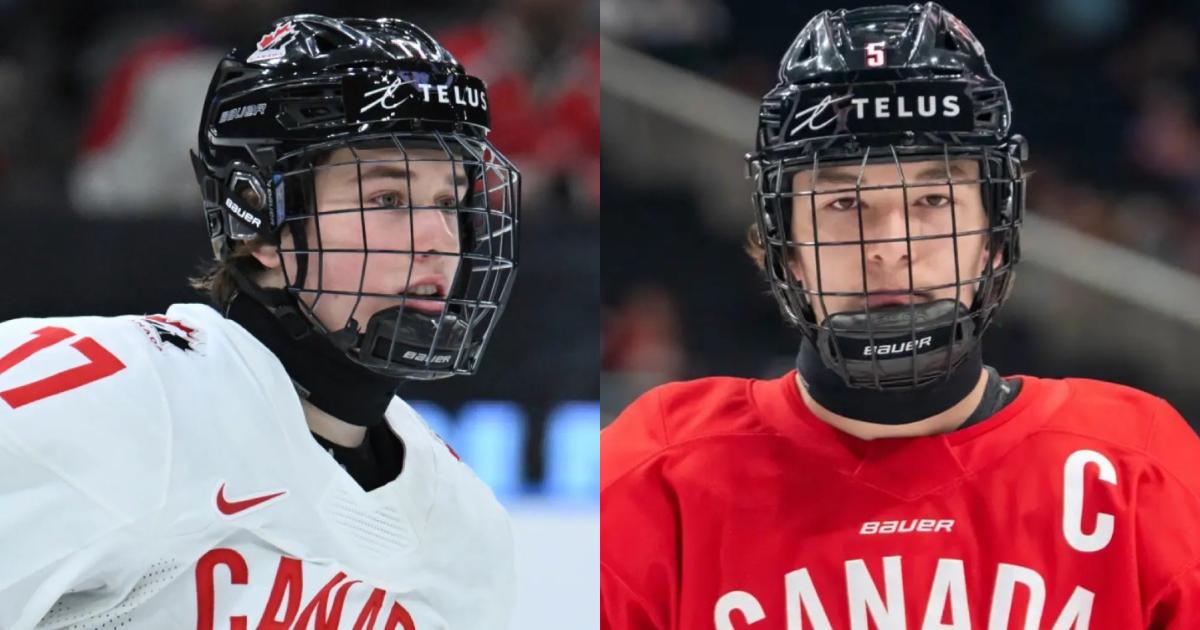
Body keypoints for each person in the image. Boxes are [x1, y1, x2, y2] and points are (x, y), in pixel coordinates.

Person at [600, 3, 1200, 629]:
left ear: (994, 233)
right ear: (786, 247)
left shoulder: (1137, 474)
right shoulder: (656, 478)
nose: (890, 246)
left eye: (934, 197)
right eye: (841, 202)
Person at [0, 14, 520, 629]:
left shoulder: (466, 533)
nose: (438, 239)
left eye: (449, 201)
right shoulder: (112, 406)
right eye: (387, 198)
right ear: (260, 219)